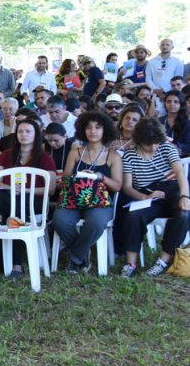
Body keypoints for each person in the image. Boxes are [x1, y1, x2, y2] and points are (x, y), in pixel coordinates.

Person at [113, 117, 190, 277]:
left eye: (156, 142)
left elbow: (180, 174)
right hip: (149, 195)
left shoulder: (167, 148)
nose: (153, 147)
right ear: (140, 140)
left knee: (184, 214)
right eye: (149, 143)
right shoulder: (129, 156)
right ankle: (130, 263)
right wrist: (145, 196)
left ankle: (163, 259)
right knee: (133, 215)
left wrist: (185, 196)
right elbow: (127, 187)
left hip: (173, 191)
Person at [51, 112, 123, 272]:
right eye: (88, 127)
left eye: (98, 127)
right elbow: (65, 180)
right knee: (59, 221)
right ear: (82, 130)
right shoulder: (75, 152)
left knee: (96, 222)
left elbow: (117, 186)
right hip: (74, 198)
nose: (93, 131)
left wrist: (100, 177)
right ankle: (83, 254)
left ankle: (76, 258)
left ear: (105, 130)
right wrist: (77, 178)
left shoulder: (113, 156)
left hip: (100, 202)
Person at [0, 119, 58, 278]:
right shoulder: (6, 155)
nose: (24, 135)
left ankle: (15, 262)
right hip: (8, 199)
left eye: (28, 131)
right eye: (20, 131)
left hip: (34, 202)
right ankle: (15, 263)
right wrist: (12, 188)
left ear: (36, 135)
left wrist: (26, 190)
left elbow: (50, 189)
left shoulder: (45, 158)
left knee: (14, 213)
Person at [162, 90, 190, 156]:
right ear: (165, 103)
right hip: (160, 157)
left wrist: (175, 145)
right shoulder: (159, 121)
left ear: (181, 104)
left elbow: (188, 145)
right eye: (168, 101)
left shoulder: (187, 123)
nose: (172, 104)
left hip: (181, 159)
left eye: (176, 102)